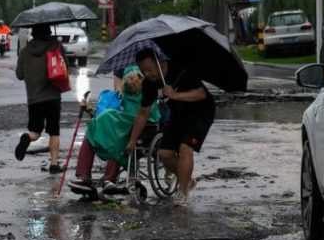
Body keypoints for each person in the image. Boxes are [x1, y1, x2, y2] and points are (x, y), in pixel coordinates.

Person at [126, 48, 215, 205]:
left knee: (185, 148)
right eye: (143, 71)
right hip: (178, 115)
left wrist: (175, 95)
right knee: (164, 153)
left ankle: (183, 192)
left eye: (150, 69)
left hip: (200, 112)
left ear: (160, 62)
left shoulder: (181, 70)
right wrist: (132, 141)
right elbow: (143, 113)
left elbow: (201, 94)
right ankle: (187, 180)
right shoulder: (149, 84)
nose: (147, 74)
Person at [69, 65, 161, 199]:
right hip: (122, 125)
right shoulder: (119, 96)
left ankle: (109, 179)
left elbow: (148, 116)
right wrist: (89, 109)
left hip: (143, 128)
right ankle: (85, 178)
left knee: (116, 134)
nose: (132, 81)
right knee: (93, 130)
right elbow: (102, 114)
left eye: (136, 78)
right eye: (129, 78)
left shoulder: (149, 93)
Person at [14, 24, 66, 174]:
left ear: (33, 34)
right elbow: (64, 68)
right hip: (53, 95)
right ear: (49, 32)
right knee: (54, 131)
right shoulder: (56, 47)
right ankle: (54, 164)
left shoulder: (25, 51)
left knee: (36, 131)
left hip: (34, 98)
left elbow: (19, 75)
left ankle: (27, 137)